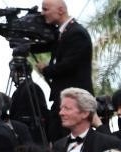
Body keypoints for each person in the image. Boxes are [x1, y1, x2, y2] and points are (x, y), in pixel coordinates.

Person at [36, 0, 93, 140]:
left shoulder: (76, 33)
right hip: (63, 98)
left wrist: (46, 69)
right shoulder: (62, 32)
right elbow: (42, 46)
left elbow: (69, 65)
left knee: (65, 138)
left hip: (75, 100)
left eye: (45, 9)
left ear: (60, 10)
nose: (42, 13)